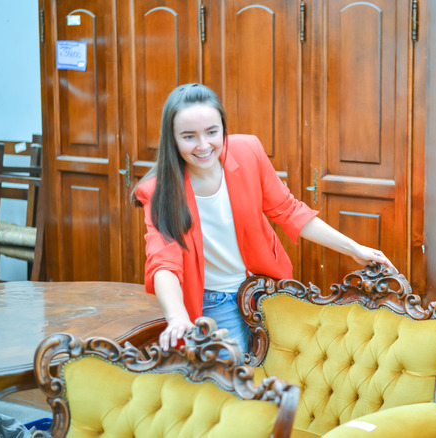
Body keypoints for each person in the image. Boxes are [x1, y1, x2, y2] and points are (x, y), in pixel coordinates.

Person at [134, 83, 394, 352]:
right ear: (172, 138)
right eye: (189, 136)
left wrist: (354, 248)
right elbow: (163, 262)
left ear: (223, 128)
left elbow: (289, 210)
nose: (203, 145)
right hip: (214, 303)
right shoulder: (158, 190)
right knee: (235, 380)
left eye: (212, 132)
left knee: (283, 368)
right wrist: (177, 317)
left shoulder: (248, 152)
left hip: (267, 287)